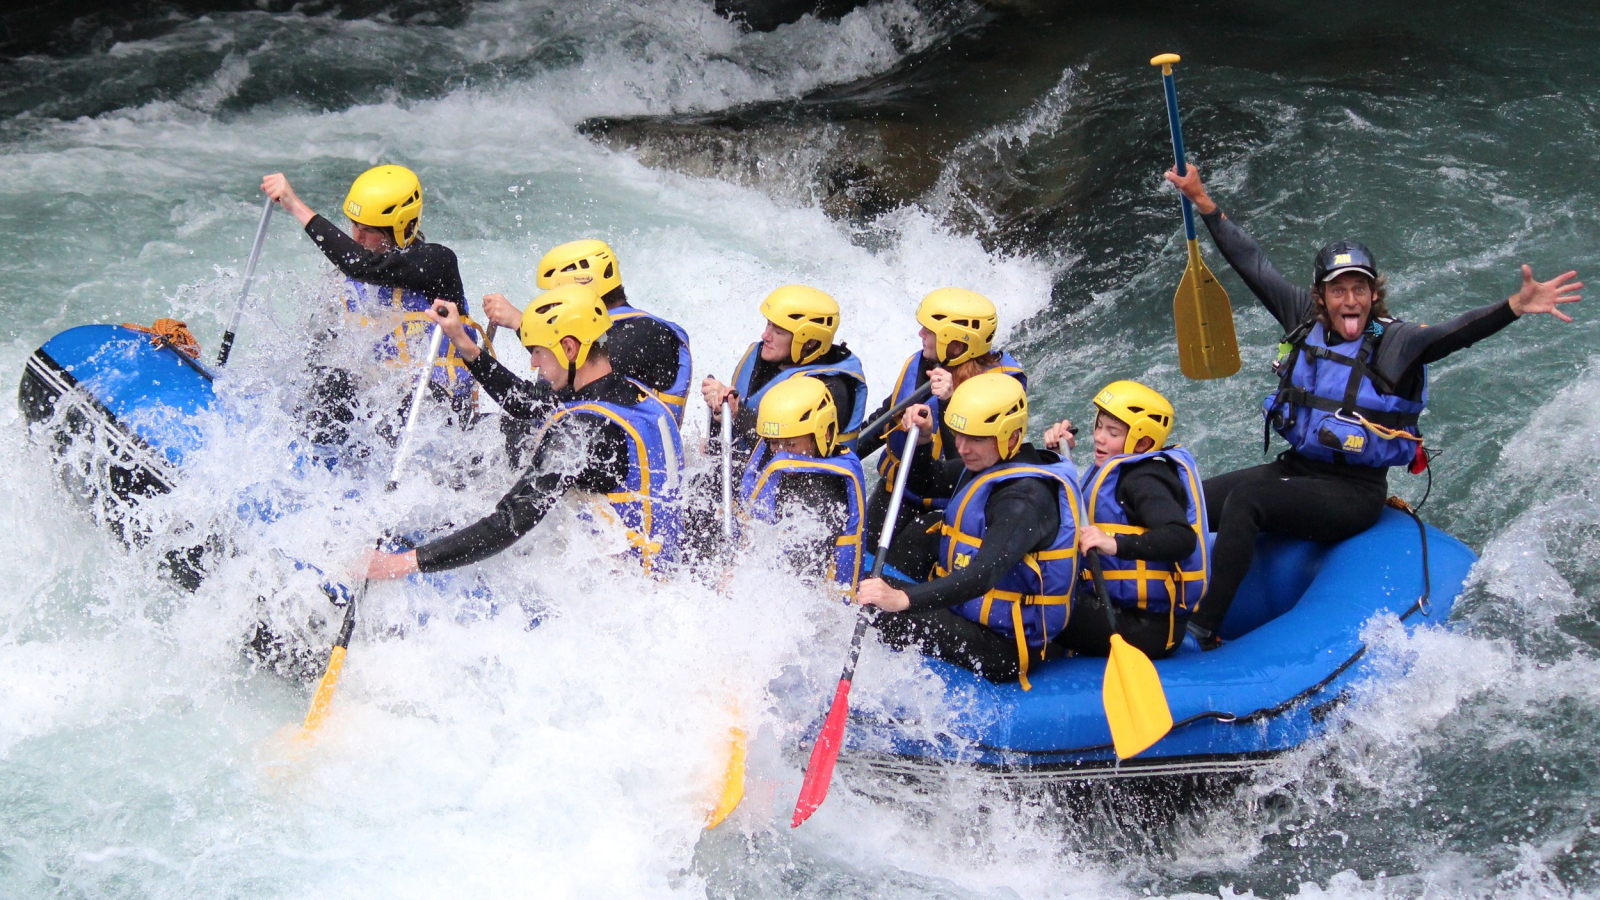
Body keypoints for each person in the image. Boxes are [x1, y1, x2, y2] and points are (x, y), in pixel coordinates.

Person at [1164, 164, 1583, 649]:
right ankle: (1124, 593)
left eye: (1359, 289)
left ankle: (1202, 628)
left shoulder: (1396, 343)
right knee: (1183, 497)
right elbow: (1253, 264)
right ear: (1321, 297)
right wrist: (1203, 202)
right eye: (1338, 290)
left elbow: (1454, 334)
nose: (1350, 300)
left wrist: (1514, 305)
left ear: (1372, 295)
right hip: (1298, 467)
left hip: (1353, 492)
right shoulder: (1305, 319)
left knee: (1246, 503)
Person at [359, 283, 685, 581]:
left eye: (537, 351)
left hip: (625, 595)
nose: (533, 364)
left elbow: (509, 522)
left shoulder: (583, 433)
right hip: (660, 573)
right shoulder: (630, 392)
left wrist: (403, 563)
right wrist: (465, 345)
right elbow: (530, 404)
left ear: (569, 349)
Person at [855, 372, 1086, 690]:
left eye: (975, 438)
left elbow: (983, 574)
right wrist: (923, 443)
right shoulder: (989, 464)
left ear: (1011, 435)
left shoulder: (1024, 499)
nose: (961, 447)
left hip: (1004, 647)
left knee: (872, 604)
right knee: (854, 580)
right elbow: (925, 483)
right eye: (957, 434)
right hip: (971, 617)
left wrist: (903, 598)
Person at [261, 166, 487, 438]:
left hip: (440, 405)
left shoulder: (437, 262)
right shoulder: (347, 277)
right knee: (329, 383)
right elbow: (319, 342)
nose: (356, 237)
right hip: (383, 398)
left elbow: (365, 267)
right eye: (354, 225)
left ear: (402, 227)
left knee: (412, 400)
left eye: (368, 230)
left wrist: (295, 205)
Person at [481, 240, 694, 464]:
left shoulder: (643, 335)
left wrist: (519, 324)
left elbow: (536, 403)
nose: (550, 305)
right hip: (578, 449)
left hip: (615, 470)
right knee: (478, 430)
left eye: (554, 296)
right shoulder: (609, 332)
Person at [1041, 381, 1206, 659]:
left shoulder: (1146, 480)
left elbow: (1181, 537)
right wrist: (1057, 458)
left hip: (1147, 628)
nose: (1099, 438)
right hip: (1118, 607)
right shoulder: (1115, 469)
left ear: (1142, 443)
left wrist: (1114, 544)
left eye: (1112, 432)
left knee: (1035, 604)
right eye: (1099, 426)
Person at [855, 288, 1026, 538]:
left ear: (955, 343)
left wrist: (950, 400)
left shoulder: (1001, 387)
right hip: (900, 488)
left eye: (929, 331)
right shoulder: (922, 362)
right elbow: (886, 417)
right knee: (857, 563)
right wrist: (841, 455)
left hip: (951, 502)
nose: (920, 334)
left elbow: (964, 464)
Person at [701, 285, 867, 466]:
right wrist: (722, 408)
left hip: (797, 484)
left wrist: (737, 414)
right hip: (745, 468)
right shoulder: (767, 357)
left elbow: (784, 455)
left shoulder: (830, 389)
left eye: (778, 331)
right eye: (768, 324)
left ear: (810, 342)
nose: (765, 335)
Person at [736, 375, 866, 599]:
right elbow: (762, 436)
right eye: (776, 443)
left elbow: (797, 576)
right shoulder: (787, 458)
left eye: (791, 444)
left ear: (823, 434)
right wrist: (735, 410)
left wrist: (741, 581)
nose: (781, 451)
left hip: (809, 608)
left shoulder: (824, 497)